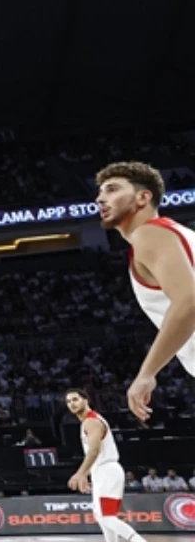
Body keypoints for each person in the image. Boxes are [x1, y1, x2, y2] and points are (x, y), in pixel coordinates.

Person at [94, 162, 195, 422]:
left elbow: (189, 301)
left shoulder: (148, 235)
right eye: (101, 192)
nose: (100, 199)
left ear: (143, 197)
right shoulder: (179, 233)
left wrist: (147, 373)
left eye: (112, 190)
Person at [65, 390, 166, 542]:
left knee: (106, 516)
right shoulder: (87, 422)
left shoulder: (91, 420)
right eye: (69, 401)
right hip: (102, 471)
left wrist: (80, 473)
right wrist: (88, 474)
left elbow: (94, 450)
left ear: (86, 400)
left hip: (106, 470)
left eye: (75, 399)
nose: (72, 403)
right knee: (102, 515)